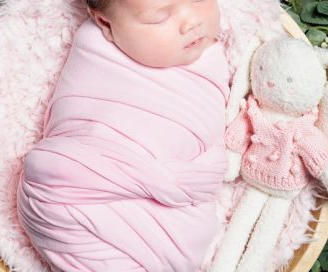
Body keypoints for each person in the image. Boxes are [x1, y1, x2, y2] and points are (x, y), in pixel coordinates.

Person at [17, 0, 230, 271]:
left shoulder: (212, 55)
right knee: (52, 177)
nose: (192, 21)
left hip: (171, 207)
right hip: (72, 192)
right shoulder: (94, 49)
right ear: (106, 24)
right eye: (159, 17)